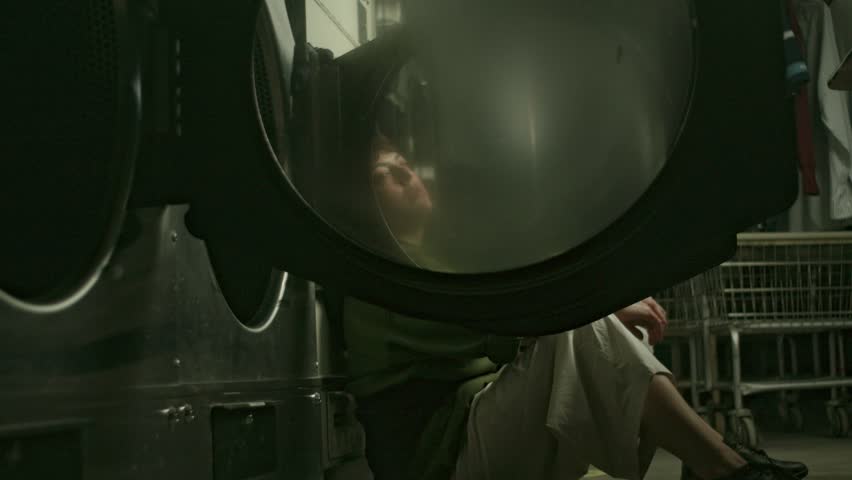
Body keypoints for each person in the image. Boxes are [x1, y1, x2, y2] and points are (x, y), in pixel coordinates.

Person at [345, 134, 809, 480]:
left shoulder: (434, 260)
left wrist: (604, 311)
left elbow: (512, 312)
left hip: (480, 430)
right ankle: (723, 464)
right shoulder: (383, 281)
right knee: (574, 325)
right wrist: (607, 308)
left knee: (605, 331)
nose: (405, 175)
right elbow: (511, 318)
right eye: (384, 175)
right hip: (441, 463)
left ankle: (710, 460)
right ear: (365, 205)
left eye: (404, 164)